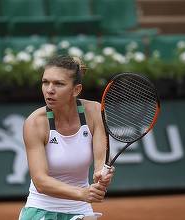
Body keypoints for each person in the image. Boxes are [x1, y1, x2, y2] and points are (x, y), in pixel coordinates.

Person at [20, 55, 115, 220]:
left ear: (76, 90)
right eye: (45, 82)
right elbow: (40, 181)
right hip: (41, 210)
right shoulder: (35, 123)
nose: (49, 89)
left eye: (59, 84)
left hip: (81, 210)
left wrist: (102, 174)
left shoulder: (94, 112)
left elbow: (101, 159)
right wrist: (82, 193)